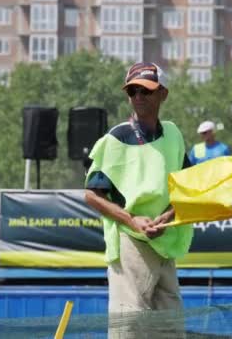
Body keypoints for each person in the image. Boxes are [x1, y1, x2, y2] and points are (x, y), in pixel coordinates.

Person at [84, 62, 193, 324]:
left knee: (171, 324)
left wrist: (166, 218)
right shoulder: (116, 138)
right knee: (130, 323)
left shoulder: (174, 134)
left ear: (163, 93)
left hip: (165, 242)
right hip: (131, 240)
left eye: (145, 90)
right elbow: (91, 195)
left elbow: (188, 188)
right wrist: (132, 220)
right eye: (132, 91)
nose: (138, 97)